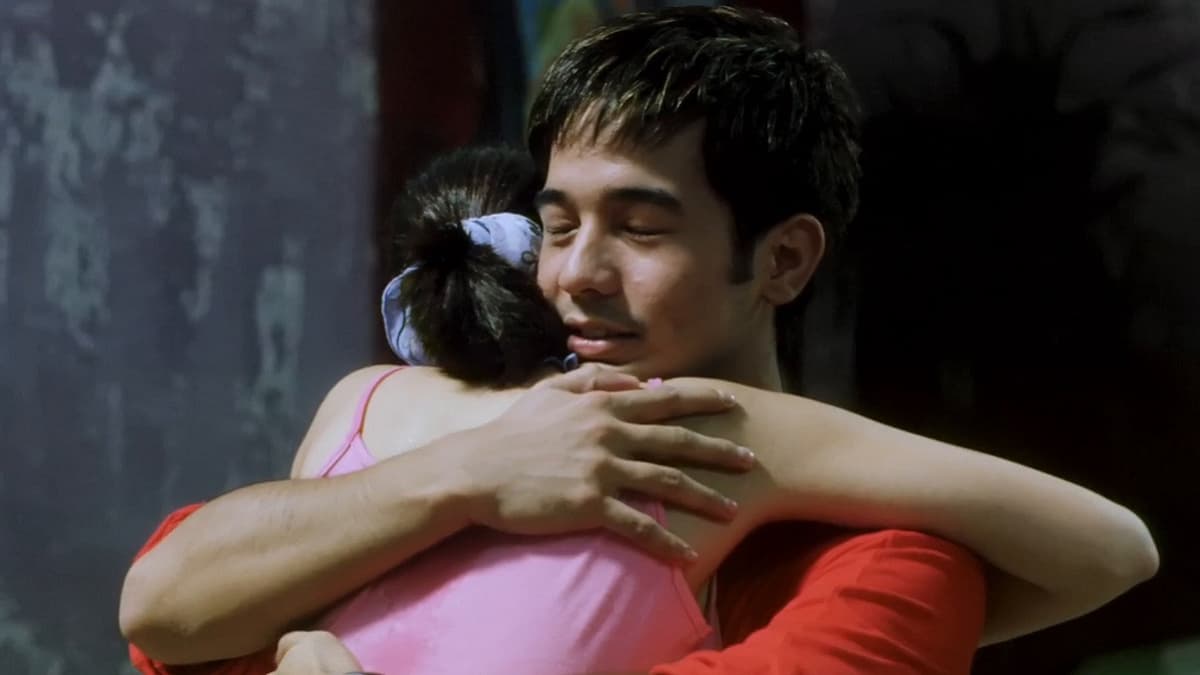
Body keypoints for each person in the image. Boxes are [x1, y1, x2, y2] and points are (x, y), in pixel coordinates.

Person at [119, 7, 1157, 675]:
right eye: (561, 224)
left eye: (641, 228)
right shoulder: (396, 400)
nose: (577, 273)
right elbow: (156, 604)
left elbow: (1114, 548)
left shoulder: (720, 433)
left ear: (785, 259)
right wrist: (472, 474)